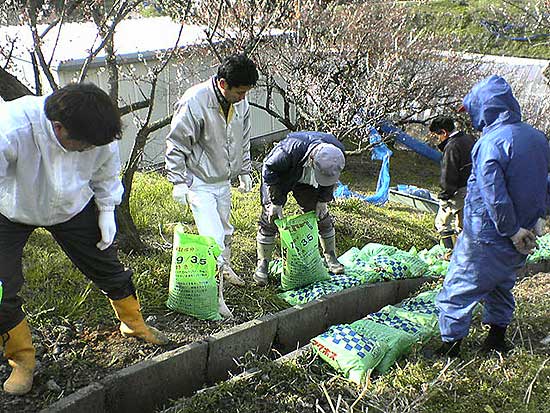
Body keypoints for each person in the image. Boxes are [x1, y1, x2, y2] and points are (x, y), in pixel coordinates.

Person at [0, 83, 168, 396]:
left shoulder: (98, 130)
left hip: (72, 207)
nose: (91, 150)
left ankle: (133, 323)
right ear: (59, 128)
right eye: (84, 146)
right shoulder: (11, 128)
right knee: (1, 288)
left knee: (107, 264)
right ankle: (22, 359)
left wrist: (106, 211)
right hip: (11, 208)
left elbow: (105, 173)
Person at [435, 75, 549, 357]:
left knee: (459, 286)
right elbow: (543, 182)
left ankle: (450, 347)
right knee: (500, 284)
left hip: (487, 233)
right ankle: (496, 339)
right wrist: (537, 218)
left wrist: (509, 229)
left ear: (484, 108)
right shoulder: (537, 138)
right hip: (524, 233)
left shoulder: (491, 143)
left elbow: (492, 192)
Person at [166, 53, 259, 287]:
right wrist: (177, 180)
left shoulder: (240, 102)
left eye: (246, 92)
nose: (243, 97)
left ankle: (223, 272)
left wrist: (244, 169)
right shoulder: (195, 101)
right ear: (222, 84)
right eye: (239, 92)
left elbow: (243, 138)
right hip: (198, 181)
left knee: (226, 231)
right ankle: (213, 292)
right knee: (213, 238)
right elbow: (177, 142)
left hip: (223, 179)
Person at [254, 131, 346, 286]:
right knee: (271, 217)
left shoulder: (336, 152)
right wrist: (275, 202)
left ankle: (330, 256)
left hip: (308, 181)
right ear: (312, 158)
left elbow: (331, 178)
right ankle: (263, 264)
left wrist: (323, 200)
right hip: (281, 177)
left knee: (321, 215)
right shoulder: (287, 151)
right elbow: (269, 169)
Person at [429, 116, 475, 252]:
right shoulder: (469, 139)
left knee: (442, 223)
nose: (438, 139)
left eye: (437, 135)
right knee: (463, 225)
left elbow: (449, 173)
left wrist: (445, 196)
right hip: (473, 187)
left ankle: (449, 254)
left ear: (444, 132)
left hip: (458, 190)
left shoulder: (452, 146)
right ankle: (465, 254)